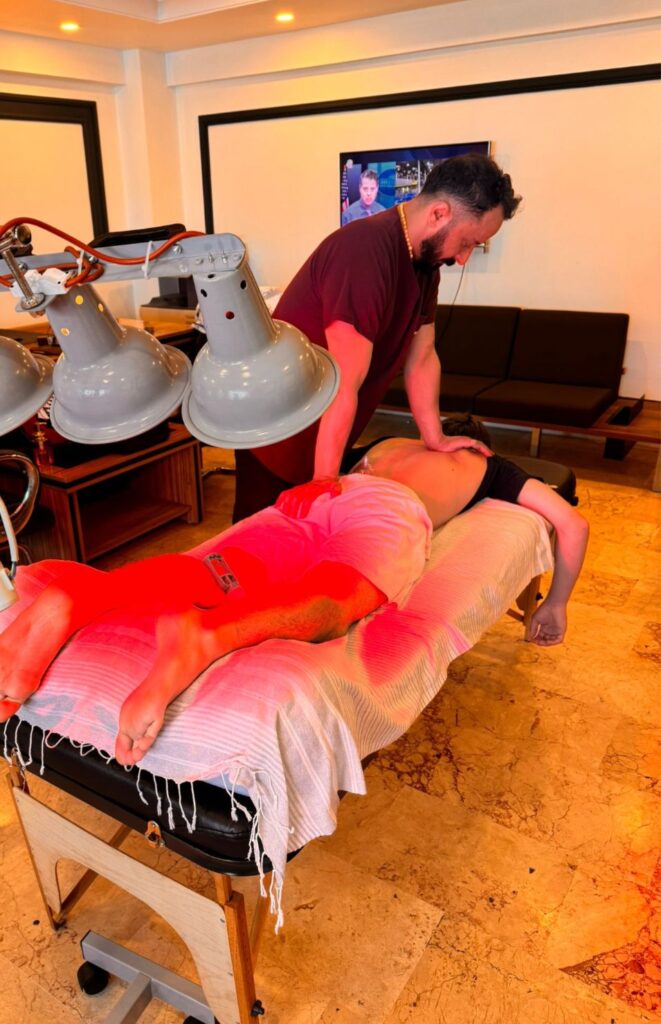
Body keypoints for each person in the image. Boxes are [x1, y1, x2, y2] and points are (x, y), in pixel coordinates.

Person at [0, 420, 586, 765]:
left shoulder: (389, 444)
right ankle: (208, 634)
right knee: (334, 600)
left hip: (317, 496)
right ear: (478, 445)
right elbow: (572, 524)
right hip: (384, 513)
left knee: (219, 572)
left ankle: (87, 593)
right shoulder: (489, 468)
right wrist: (556, 603)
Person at [233, 153, 521, 522]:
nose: (463, 258)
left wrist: (435, 436)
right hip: (278, 427)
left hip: (326, 427)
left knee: (304, 530)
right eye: (467, 242)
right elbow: (342, 380)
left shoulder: (425, 266)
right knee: (261, 535)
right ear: (439, 214)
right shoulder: (365, 250)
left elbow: (423, 355)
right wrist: (324, 481)